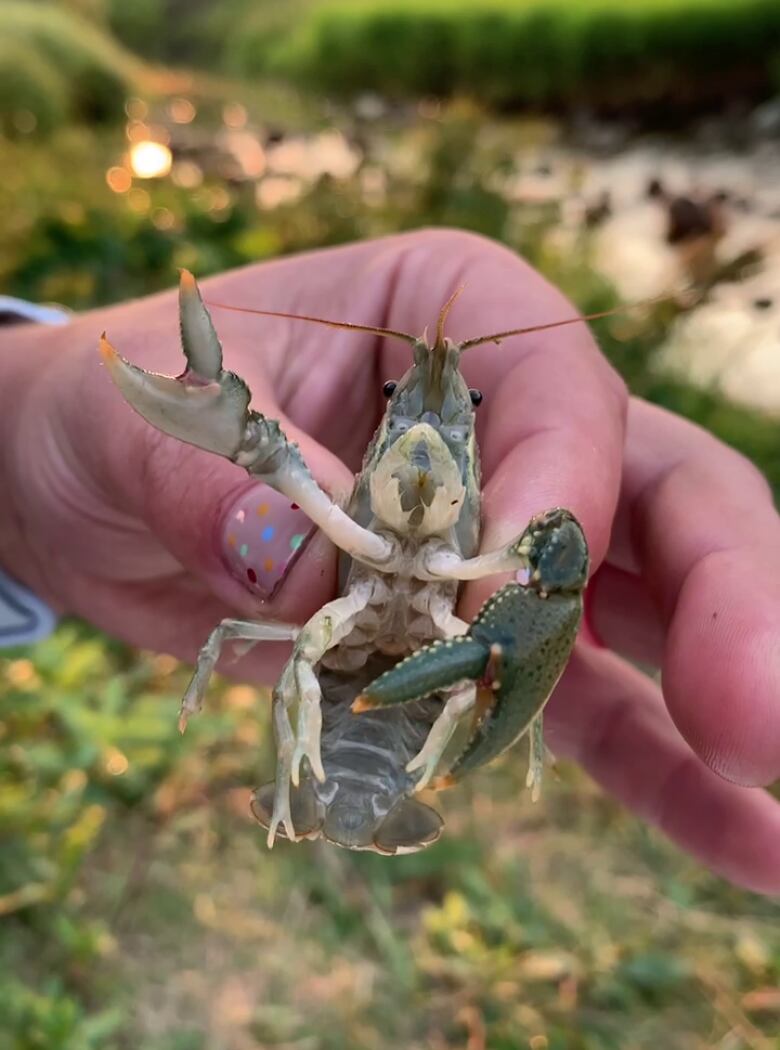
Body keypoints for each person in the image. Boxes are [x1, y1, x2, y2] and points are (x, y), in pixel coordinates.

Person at [1, 230, 778, 893]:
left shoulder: (486, 550)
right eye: (395, 400)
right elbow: (298, 584)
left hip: (431, 654)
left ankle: (402, 773)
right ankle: (302, 772)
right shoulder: (363, 498)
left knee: (512, 583)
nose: (427, 427)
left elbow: (549, 570)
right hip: (366, 642)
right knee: (307, 652)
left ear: (474, 429)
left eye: (464, 415)